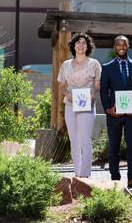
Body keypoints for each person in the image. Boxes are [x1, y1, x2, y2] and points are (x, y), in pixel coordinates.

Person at [100, 35, 132, 188]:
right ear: (114, 47)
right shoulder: (107, 67)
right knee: (114, 146)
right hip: (114, 115)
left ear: (128, 46)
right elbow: (103, 91)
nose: (121, 47)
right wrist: (108, 109)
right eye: (118, 44)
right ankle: (115, 178)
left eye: (124, 44)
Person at [57, 32, 101, 178]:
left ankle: (85, 174)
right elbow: (62, 86)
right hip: (70, 104)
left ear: (88, 46)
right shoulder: (66, 65)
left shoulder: (94, 64)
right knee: (74, 140)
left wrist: (93, 95)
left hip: (86, 104)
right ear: (73, 46)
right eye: (78, 42)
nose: (81, 45)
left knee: (85, 140)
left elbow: (97, 85)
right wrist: (67, 94)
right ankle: (77, 173)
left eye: (84, 43)